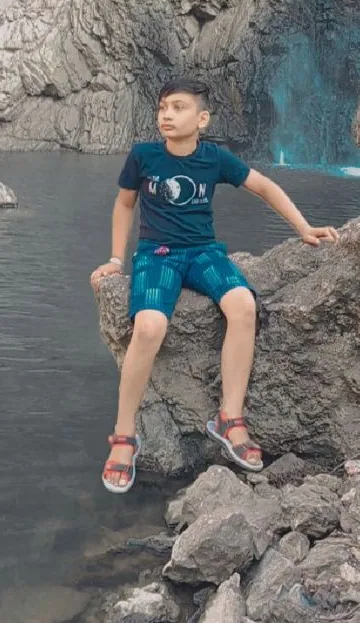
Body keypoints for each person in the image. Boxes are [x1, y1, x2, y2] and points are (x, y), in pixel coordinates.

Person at [91, 78, 338, 494]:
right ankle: (124, 434)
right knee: (150, 325)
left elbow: (265, 186)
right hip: (157, 254)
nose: (167, 115)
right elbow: (124, 203)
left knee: (243, 305)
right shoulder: (144, 155)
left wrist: (304, 227)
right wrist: (116, 260)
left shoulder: (214, 158)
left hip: (205, 252)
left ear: (202, 118)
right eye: (163, 107)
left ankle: (230, 417)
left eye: (179, 107)